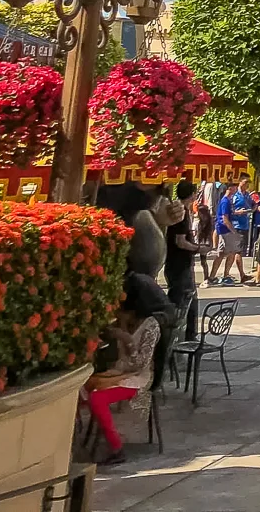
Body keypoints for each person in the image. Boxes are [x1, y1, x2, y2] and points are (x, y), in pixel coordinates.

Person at [81, 276, 163, 465]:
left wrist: (128, 340)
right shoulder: (121, 321)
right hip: (119, 371)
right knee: (81, 388)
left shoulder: (151, 326)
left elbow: (141, 364)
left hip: (136, 377)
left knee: (97, 398)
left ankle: (116, 447)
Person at [163, 180, 203, 341]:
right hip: (179, 264)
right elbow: (180, 241)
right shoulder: (181, 213)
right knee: (183, 301)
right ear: (192, 194)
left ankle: (187, 336)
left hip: (179, 263)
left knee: (188, 300)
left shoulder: (180, 210)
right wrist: (198, 248)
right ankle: (182, 337)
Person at [213, 178, 251, 286]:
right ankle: (215, 276)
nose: (236, 188)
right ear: (230, 188)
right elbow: (225, 219)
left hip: (228, 228)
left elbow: (230, 214)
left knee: (229, 253)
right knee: (228, 253)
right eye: (234, 186)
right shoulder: (226, 201)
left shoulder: (229, 200)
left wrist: (238, 212)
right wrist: (233, 231)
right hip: (226, 229)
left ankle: (225, 275)